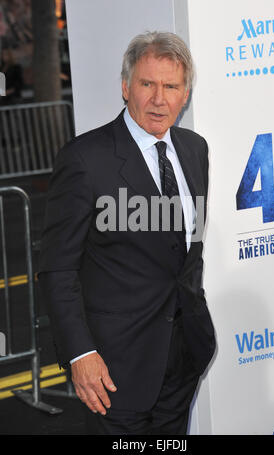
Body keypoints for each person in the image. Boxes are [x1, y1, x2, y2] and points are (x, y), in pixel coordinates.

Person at [38, 31, 216, 435]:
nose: (159, 98)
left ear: (185, 94)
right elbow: (57, 270)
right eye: (147, 84)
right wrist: (80, 353)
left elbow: (185, 253)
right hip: (113, 370)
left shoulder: (194, 150)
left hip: (183, 357)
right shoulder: (85, 160)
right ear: (125, 87)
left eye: (171, 86)